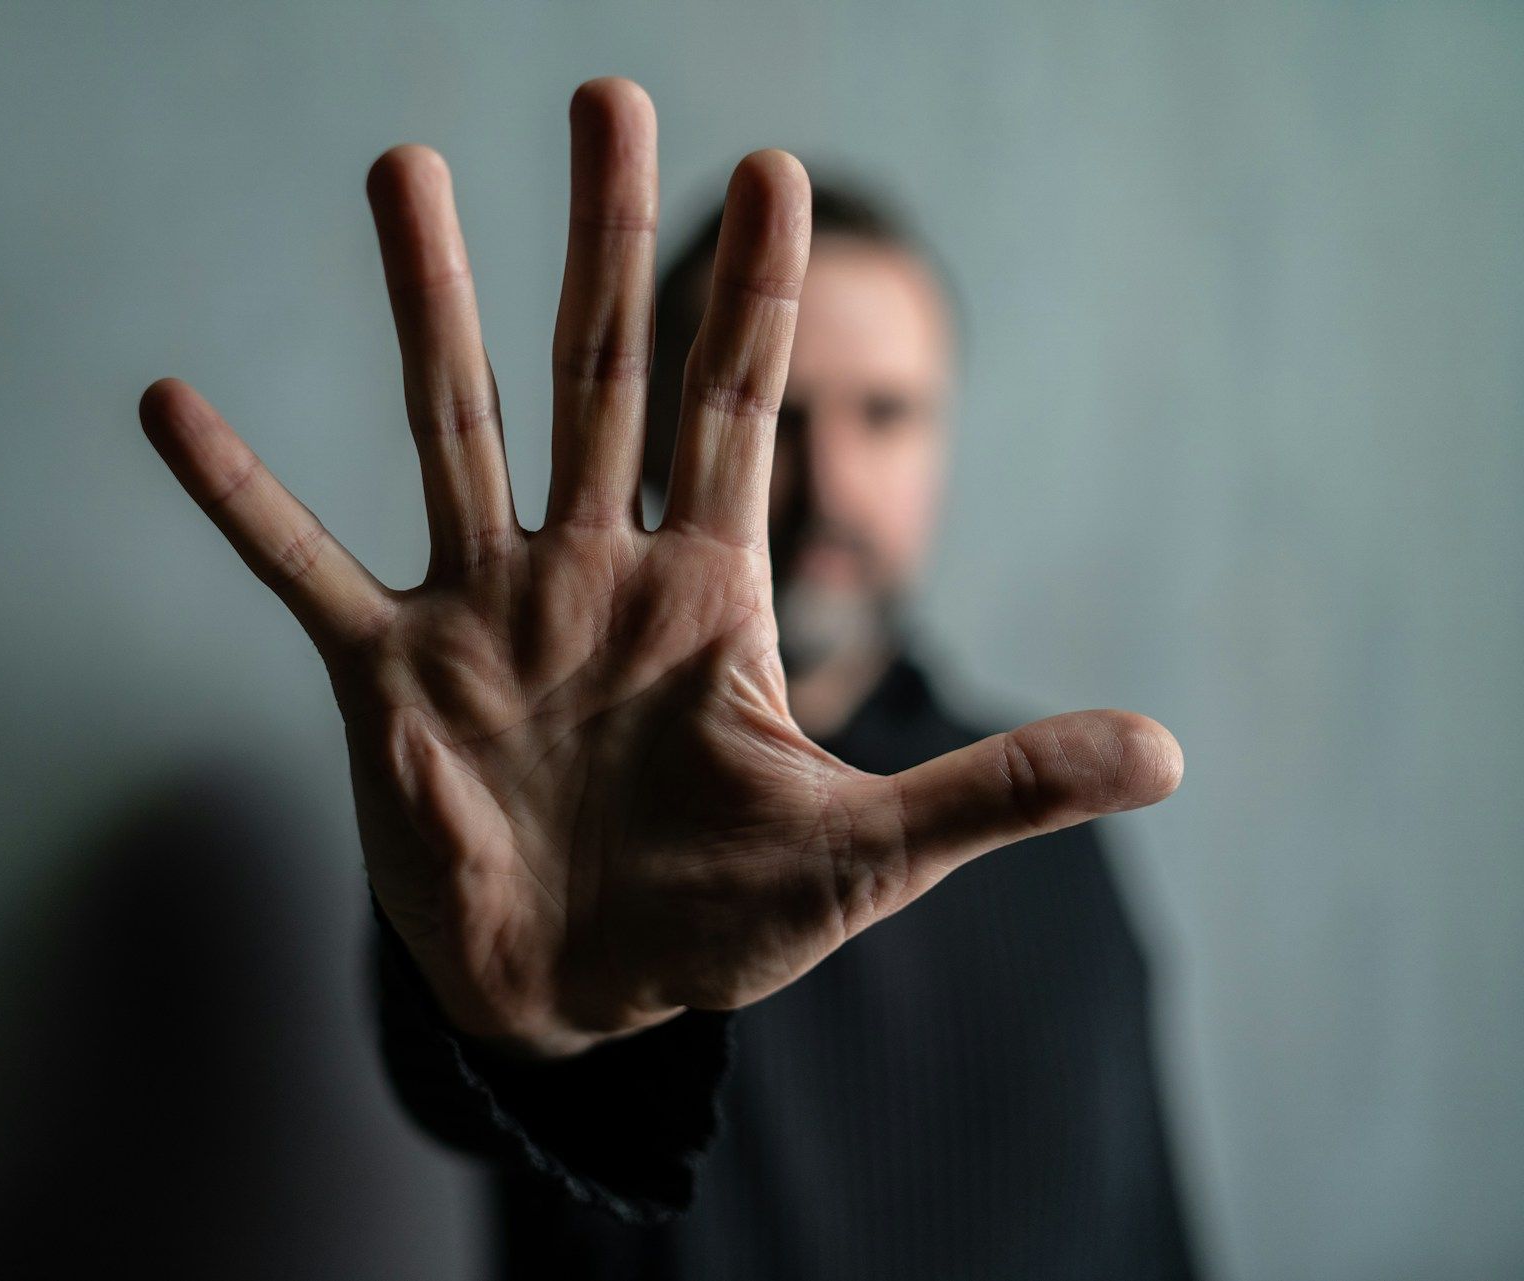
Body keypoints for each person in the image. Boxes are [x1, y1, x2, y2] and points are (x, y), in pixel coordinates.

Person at [138, 77, 1195, 1280]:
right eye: (784, 416)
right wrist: (544, 1043)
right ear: (661, 435)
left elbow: (1152, 1226)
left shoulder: (1053, 834)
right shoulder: (531, 800)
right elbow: (461, 1062)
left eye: (887, 415)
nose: (832, 483)